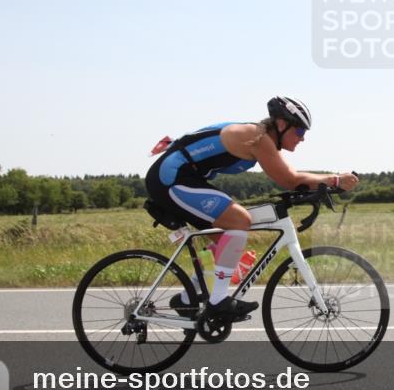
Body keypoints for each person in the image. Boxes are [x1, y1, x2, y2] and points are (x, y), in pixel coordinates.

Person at [145, 96, 358, 318]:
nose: (302, 139)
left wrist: (318, 190)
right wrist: (335, 180)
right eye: (300, 132)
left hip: (182, 177)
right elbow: (290, 179)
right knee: (240, 220)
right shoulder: (258, 137)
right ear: (282, 124)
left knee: (226, 243)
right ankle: (218, 302)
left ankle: (187, 300)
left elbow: (291, 178)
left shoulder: (260, 136)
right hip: (170, 178)